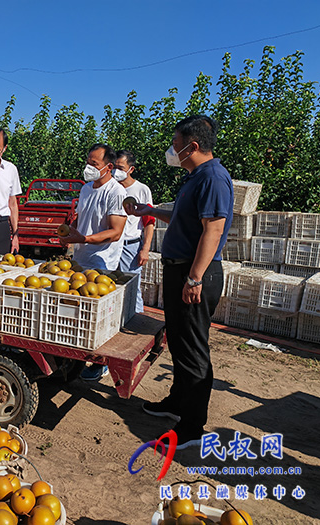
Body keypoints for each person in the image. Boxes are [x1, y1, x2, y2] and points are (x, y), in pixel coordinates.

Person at [130, 115, 233, 449]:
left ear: (193, 145)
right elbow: (180, 216)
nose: (172, 149)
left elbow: (213, 230)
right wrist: (147, 209)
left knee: (193, 349)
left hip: (195, 273)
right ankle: (177, 403)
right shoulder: (195, 176)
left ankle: (191, 428)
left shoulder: (214, 178)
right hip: (182, 271)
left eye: (176, 143)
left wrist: (194, 277)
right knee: (179, 340)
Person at [59, 143, 127, 381]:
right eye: (88, 162)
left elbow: (116, 232)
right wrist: (70, 237)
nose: (88, 167)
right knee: (77, 314)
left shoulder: (116, 192)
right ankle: (74, 361)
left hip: (102, 263)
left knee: (97, 318)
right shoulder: (87, 189)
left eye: (94, 164)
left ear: (108, 167)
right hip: (80, 258)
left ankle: (100, 364)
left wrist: (85, 238)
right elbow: (81, 219)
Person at [114, 150, 155, 314]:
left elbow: (149, 222)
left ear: (131, 169)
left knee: (131, 287)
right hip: (110, 244)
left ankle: (137, 318)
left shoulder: (141, 190)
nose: (116, 171)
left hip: (129, 246)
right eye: (114, 167)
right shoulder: (111, 188)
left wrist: (145, 249)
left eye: (121, 167)